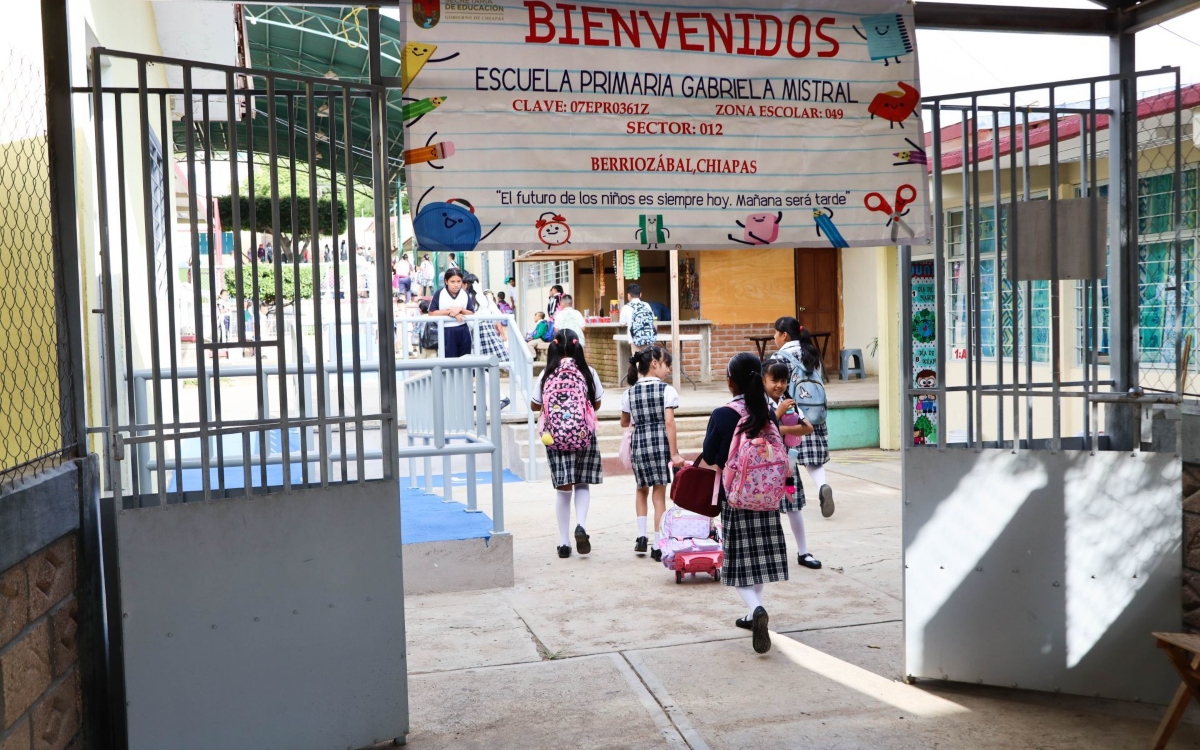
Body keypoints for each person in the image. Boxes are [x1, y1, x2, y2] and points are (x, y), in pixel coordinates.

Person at [700, 352, 789, 654]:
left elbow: (711, 455)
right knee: (760, 563)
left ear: (730, 382)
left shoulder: (725, 413)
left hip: (736, 499)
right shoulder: (766, 410)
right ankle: (753, 614)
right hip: (767, 498)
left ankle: (757, 610)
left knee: (738, 566)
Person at [530, 329, 604, 559]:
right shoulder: (588, 371)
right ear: (576, 346)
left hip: (555, 437)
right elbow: (597, 403)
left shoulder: (546, 373)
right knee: (582, 483)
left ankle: (563, 543)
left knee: (563, 489)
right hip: (583, 435)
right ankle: (580, 525)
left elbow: (535, 405)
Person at [620, 346, 684, 560]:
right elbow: (669, 422)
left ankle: (640, 536)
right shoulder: (667, 390)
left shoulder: (629, 392)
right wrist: (674, 454)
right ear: (655, 364)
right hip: (659, 446)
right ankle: (658, 544)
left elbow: (624, 421)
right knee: (659, 496)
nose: (668, 370)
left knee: (641, 489)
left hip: (639, 445)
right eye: (667, 365)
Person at [772, 317, 835, 518]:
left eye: (776, 333)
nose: (774, 337)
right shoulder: (811, 352)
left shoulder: (780, 357)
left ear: (784, 335)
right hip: (815, 414)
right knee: (813, 460)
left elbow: (776, 388)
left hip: (792, 416)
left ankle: (789, 500)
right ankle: (823, 485)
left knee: (789, 459)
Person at [763, 358, 821, 569]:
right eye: (774, 380)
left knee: (793, 504)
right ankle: (769, 553)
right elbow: (764, 427)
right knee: (766, 507)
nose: (779, 385)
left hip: (788, 462)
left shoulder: (789, 402)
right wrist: (778, 417)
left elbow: (807, 427)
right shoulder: (761, 403)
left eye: (783, 380)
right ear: (763, 380)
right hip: (764, 465)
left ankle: (803, 552)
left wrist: (784, 428)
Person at [427, 268, 475, 357]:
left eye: (458, 281)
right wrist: (449, 311)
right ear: (446, 281)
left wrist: (460, 309)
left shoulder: (464, 294)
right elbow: (432, 313)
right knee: (449, 362)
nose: (456, 285)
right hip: (446, 331)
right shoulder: (440, 293)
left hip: (463, 330)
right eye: (452, 282)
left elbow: (471, 313)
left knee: (465, 360)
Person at [463, 274, 509, 363]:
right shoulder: (485, 297)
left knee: (478, 359)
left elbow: (469, 319)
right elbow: (497, 314)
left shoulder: (466, 298)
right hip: (489, 329)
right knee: (493, 359)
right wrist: (490, 322)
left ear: (465, 284)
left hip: (475, 330)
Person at [619, 283, 658, 351]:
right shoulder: (646, 305)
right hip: (649, 339)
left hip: (635, 340)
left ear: (628, 295)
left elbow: (622, 323)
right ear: (640, 294)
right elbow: (653, 321)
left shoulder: (626, 307)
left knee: (637, 360)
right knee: (649, 360)